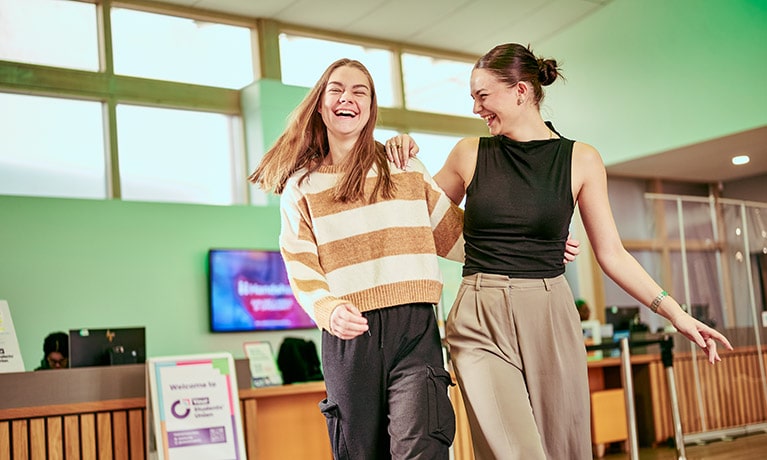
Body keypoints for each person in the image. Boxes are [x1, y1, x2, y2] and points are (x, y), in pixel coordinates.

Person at [386, 43, 733, 460]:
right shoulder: (469, 153)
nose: (476, 109)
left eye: (483, 96)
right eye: (472, 98)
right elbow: (417, 221)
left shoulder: (581, 159)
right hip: (479, 313)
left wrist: (676, 314)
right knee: (515, 451)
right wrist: (402, 160)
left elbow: (612, 254)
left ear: (520, 91)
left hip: (550, 311)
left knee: (564, 448)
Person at [248, 58, 464, 459]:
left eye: (359, 91)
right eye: (336, 90)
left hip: (414, 329)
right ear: (320, 104)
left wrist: (534, 244)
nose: (347, 98)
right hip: (349, 336)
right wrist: (327, 309)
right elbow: (299, 262)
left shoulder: (405, 166)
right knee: (359, 452)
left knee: (422, 447)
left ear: (370, 107)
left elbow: (456, 235)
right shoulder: (302, 186)